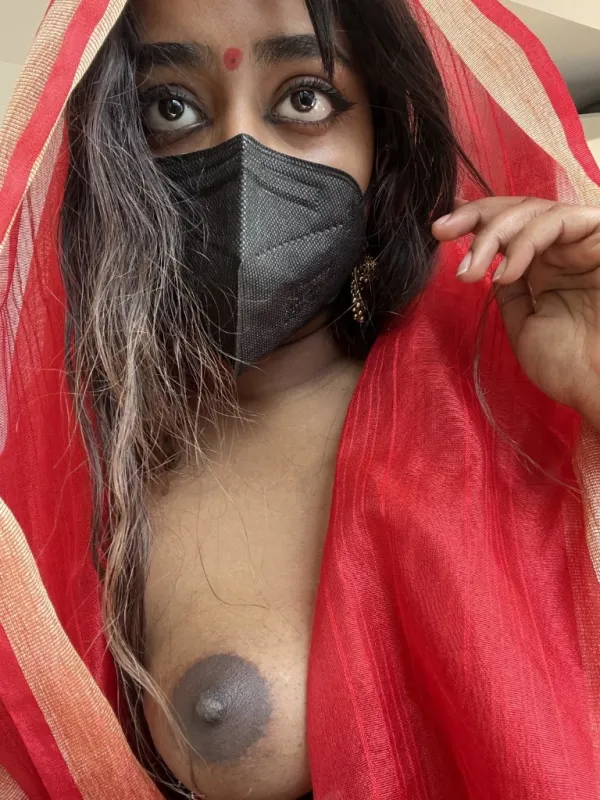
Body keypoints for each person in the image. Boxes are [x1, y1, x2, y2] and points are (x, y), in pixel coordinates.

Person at [1, 0, 600, 798]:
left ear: (385, 134)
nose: (242, 160)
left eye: (305, 97)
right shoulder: (81, 459)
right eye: (170, 107)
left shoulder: (504, 400)